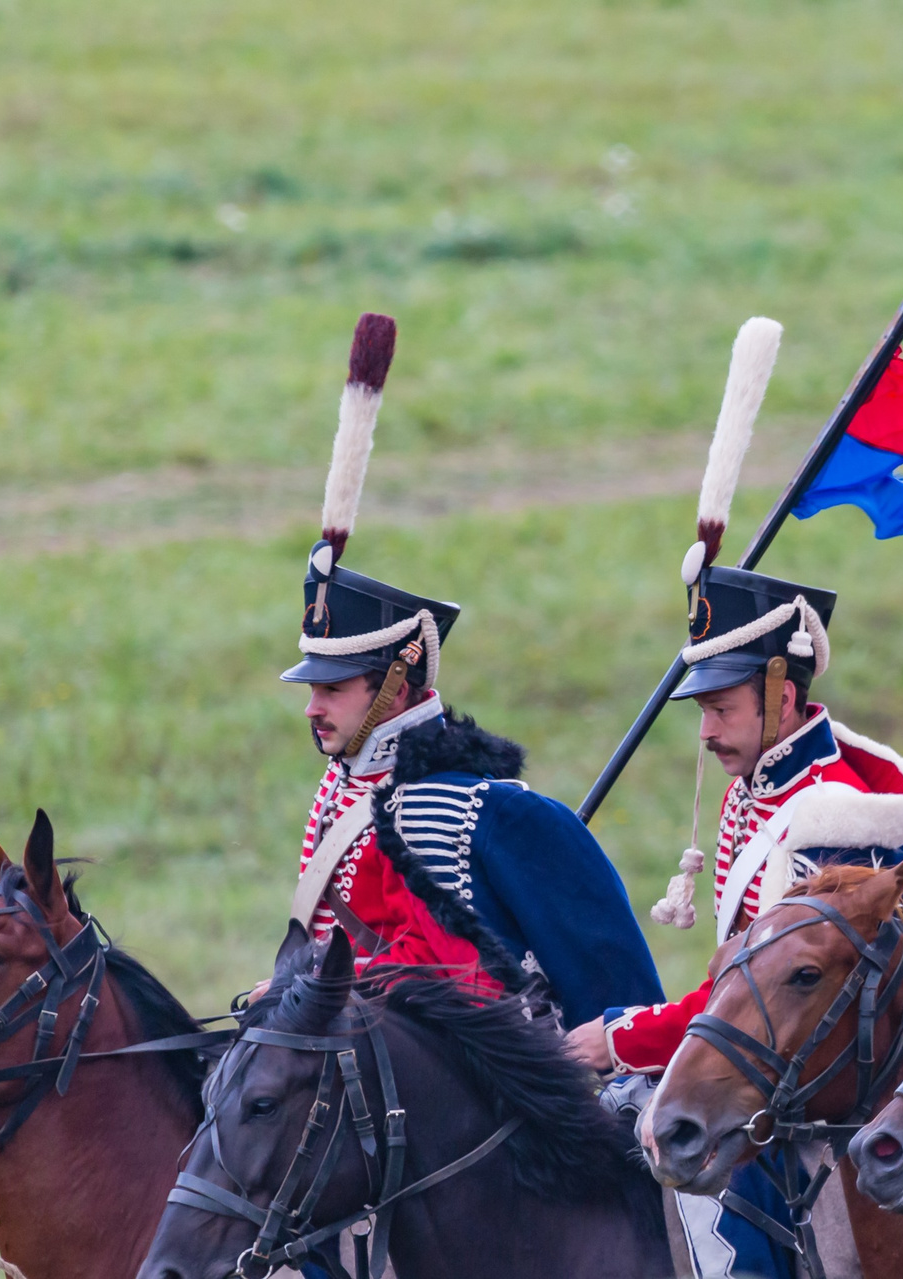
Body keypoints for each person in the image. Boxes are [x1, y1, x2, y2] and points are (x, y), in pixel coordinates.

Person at [563, 566, 903, 1278]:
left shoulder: (826, 818)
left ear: (780, 697)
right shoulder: (763, 792)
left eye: (721, 709)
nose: (706, 731)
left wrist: (622, 1035)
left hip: (844, 1093)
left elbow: (775, 999)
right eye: (703, 711)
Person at [276, 312, 662, 1028]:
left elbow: (611, 994)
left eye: (334, 688)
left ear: (399, 679)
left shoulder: (493, 814)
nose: (312, 707)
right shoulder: (341, 792)